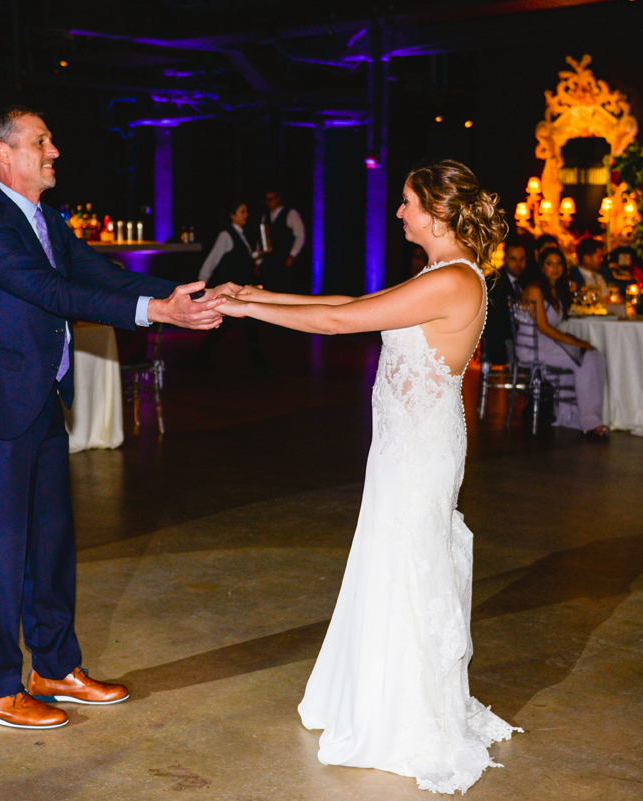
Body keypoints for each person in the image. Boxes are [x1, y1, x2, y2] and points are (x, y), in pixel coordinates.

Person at [217, 159, 521, 794]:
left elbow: (338, 322)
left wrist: (254, 312)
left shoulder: (456, 280)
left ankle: (404, 715)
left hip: (419, 453)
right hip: (401, 447)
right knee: (385, 561)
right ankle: (372, 693)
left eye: (408, 202)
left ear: (437, 212)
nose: (401, 212)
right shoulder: (437, 274)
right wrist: (253, 297)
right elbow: (347, 304)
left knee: (406, 565)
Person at [0, 105, 233, 730]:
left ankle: (53, 667)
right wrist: (155, 314)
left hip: (39, 398)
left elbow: (95, 273)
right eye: (41, 142)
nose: (54, 151)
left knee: (51, 540)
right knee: (3, 546)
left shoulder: (46, 217)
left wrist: (187, 292)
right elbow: (54, 293)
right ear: (4, 154)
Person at [519, 247, 610, 436]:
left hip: (547, 344)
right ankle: (591, 420)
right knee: (585, 359)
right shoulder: (535, 289)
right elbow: (543, 327)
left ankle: (570, 416)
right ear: (542, 267)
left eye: (559, 263)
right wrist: (576, 343)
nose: (555, 268)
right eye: (549, 264)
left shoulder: (555, 290)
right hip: (533, 346)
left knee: (598, 357)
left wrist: (576, 342)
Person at [193, 200, 270, 373]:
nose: (246, 215)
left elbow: (244, 257)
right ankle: (261, 365)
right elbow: (211, 261)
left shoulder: (240, 234)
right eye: (242, 212)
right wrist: (200, 287)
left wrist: (260, 254)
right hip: (230, 293)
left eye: (246, 211)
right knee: (240, 326)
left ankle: (200, 358)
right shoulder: (226, 235)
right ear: (232, 215)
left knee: (239, 326)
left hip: (239, 292)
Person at [483, 236, 528, 364]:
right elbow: (496, 323)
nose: (518, 264)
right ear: (505, 259)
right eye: (513, 259)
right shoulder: (494, 282)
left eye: (521, 259)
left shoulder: (524, 281)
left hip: (519, 339)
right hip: (502, 343)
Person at [258, 189, 306, 293]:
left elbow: (300, 235)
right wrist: (258, 261)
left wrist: (292, 255)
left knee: (285, 288)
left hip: (285, 259)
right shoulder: (265, 216)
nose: (269, 202)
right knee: (269, 289)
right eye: (267, 200)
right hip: (270, 260)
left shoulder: (290, 213)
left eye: (271, 199)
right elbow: (262, 240)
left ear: (278, 199)